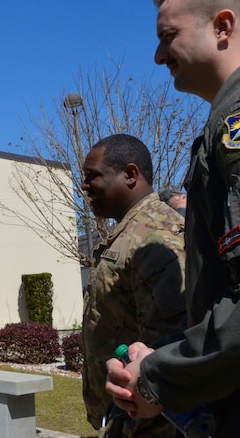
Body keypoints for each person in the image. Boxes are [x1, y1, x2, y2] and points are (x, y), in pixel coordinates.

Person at [105, 0, 240, 438]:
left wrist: (160, 374)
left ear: (223, 26)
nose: (159, 56)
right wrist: (164, 358)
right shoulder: (217, 133)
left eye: (168, 36)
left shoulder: (234, 131)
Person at [81, 134, 186, 438]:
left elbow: (169, 345)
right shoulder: (130, 232)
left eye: (93, 176)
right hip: (122, 416)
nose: (85, 186)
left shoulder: (156, 236)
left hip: (146, 423)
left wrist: (133, 424)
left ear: (130, 175)